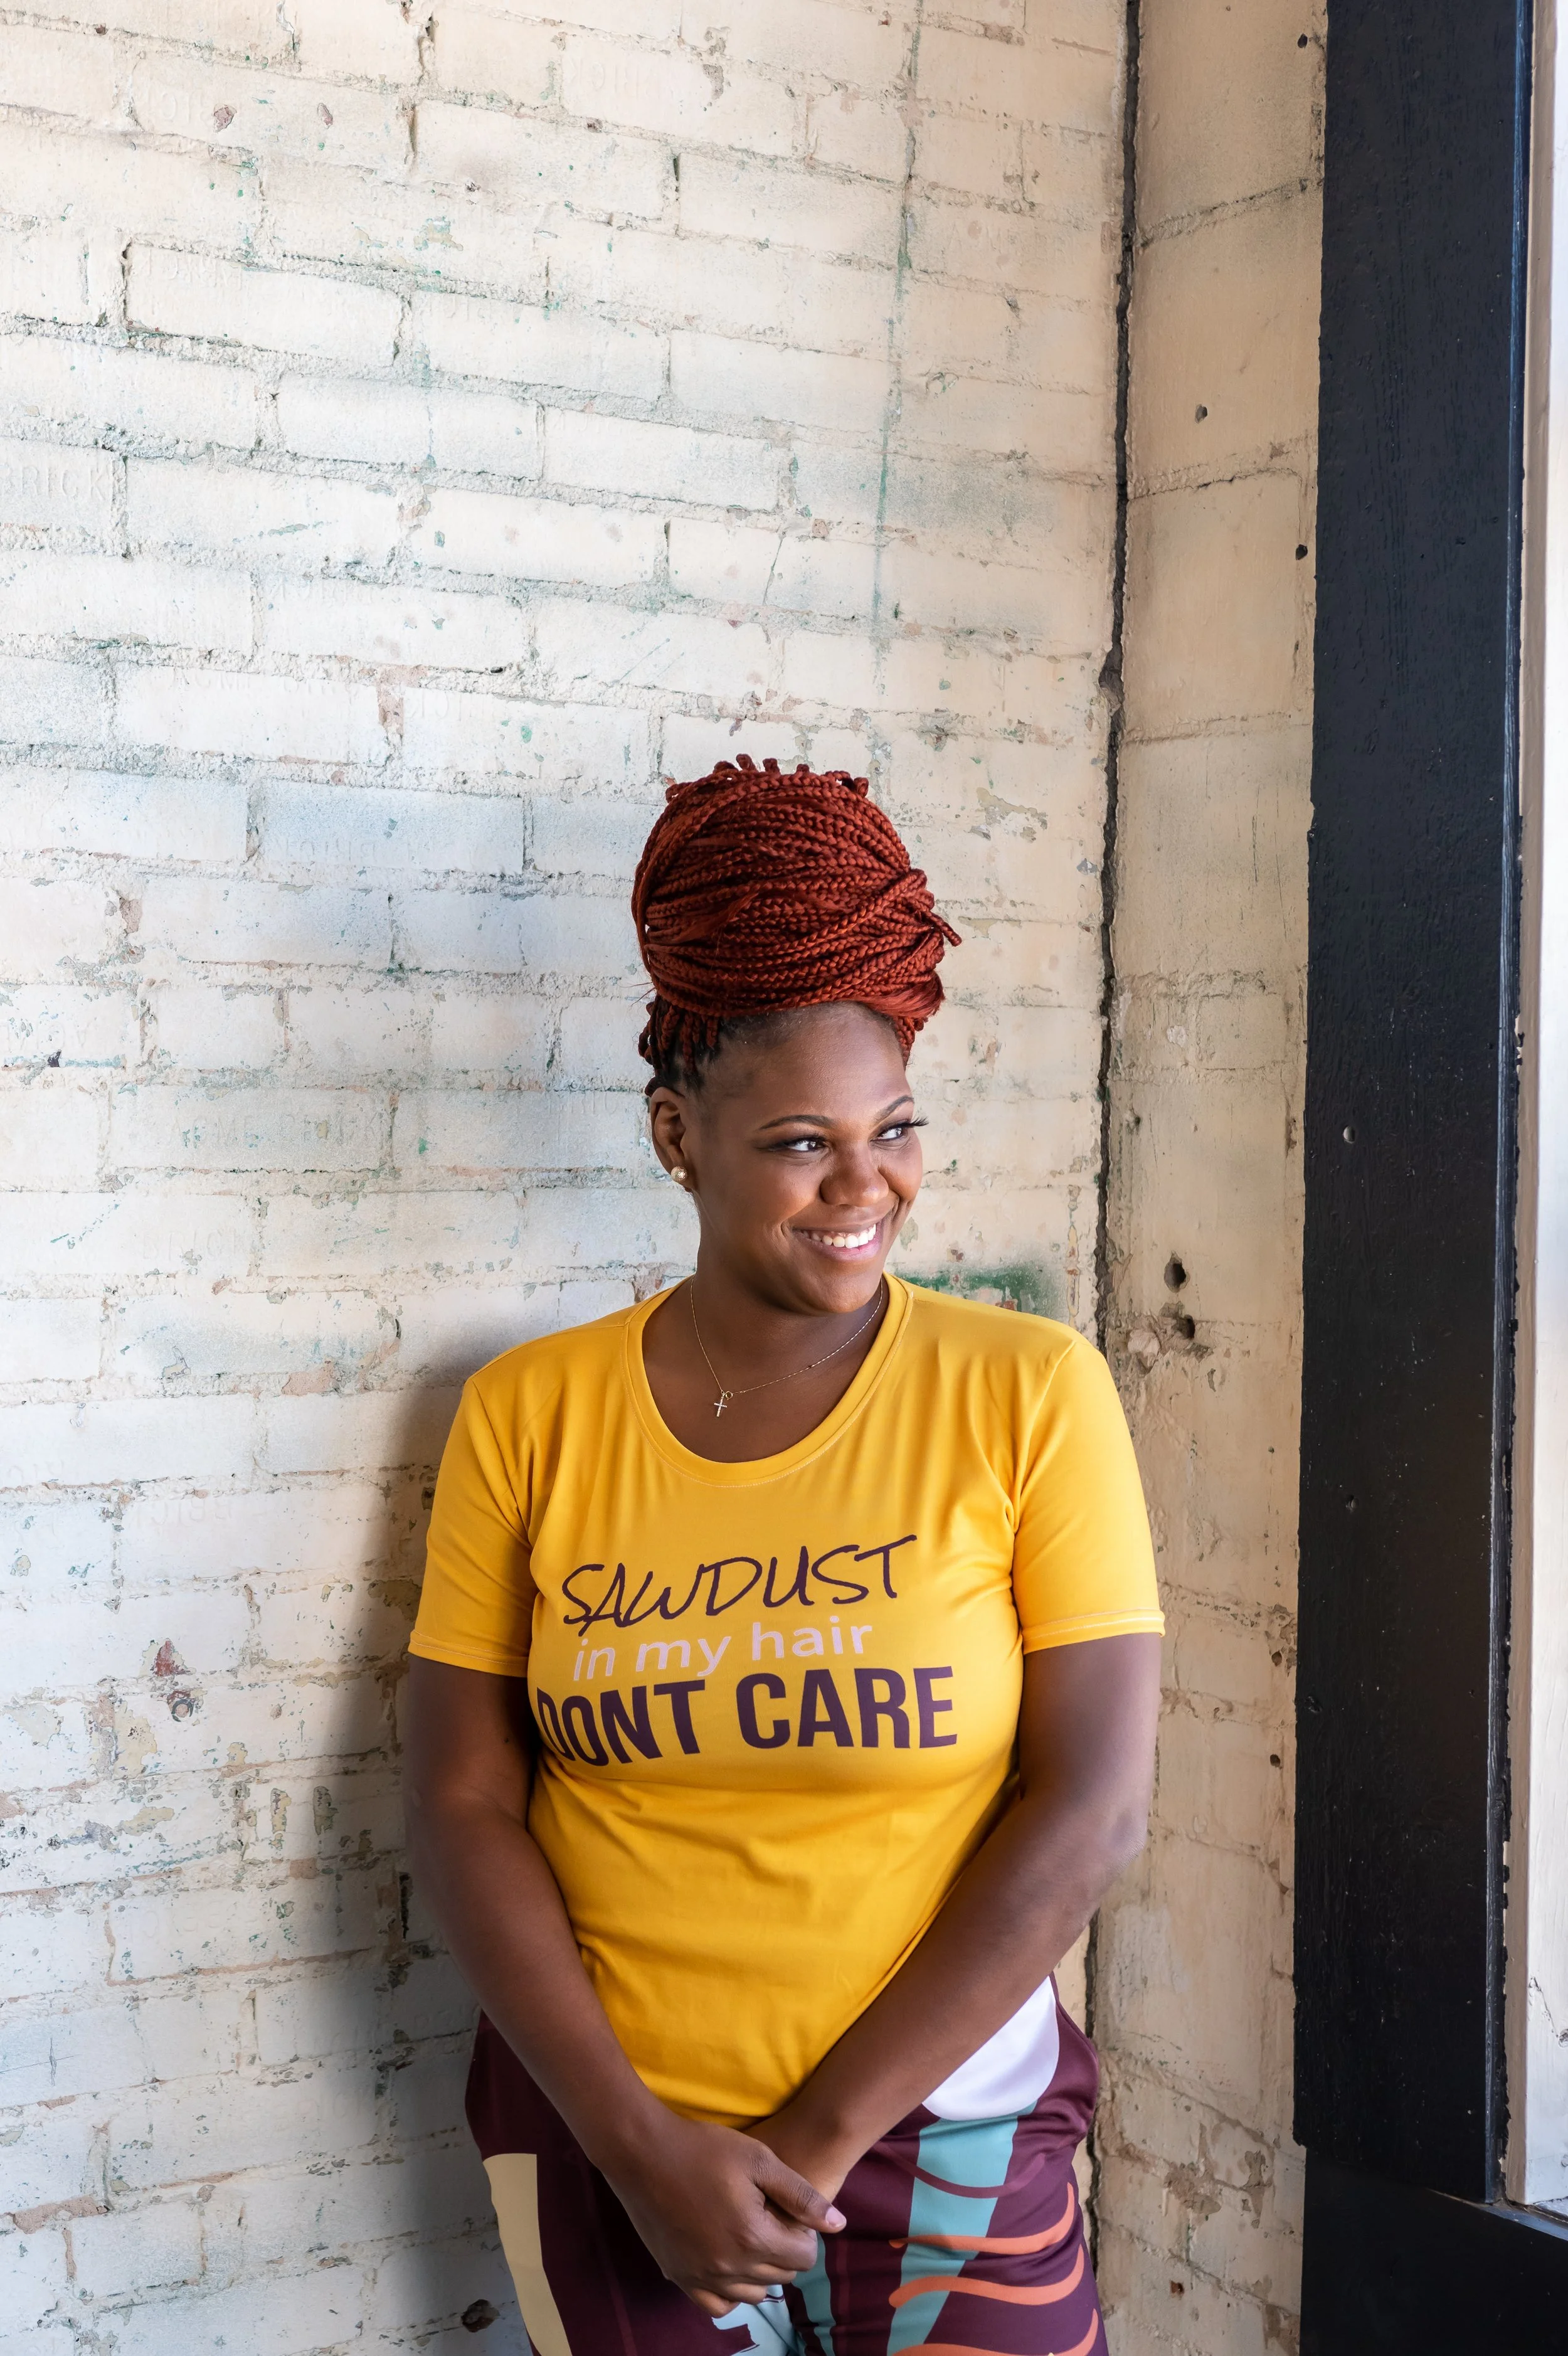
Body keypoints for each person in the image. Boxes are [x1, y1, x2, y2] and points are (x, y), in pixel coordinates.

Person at [403, 756, 1163, 2355]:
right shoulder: (526, 1414)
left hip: (949, 2141)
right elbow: (466, 1804)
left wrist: (812, 2145)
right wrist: (635, 2145)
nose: (861, 1189)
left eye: (893, 1131)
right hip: (616, 2144)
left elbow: (1087, 1811)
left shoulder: (1023, 1392)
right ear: (677, 1135)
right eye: (799, 1144)